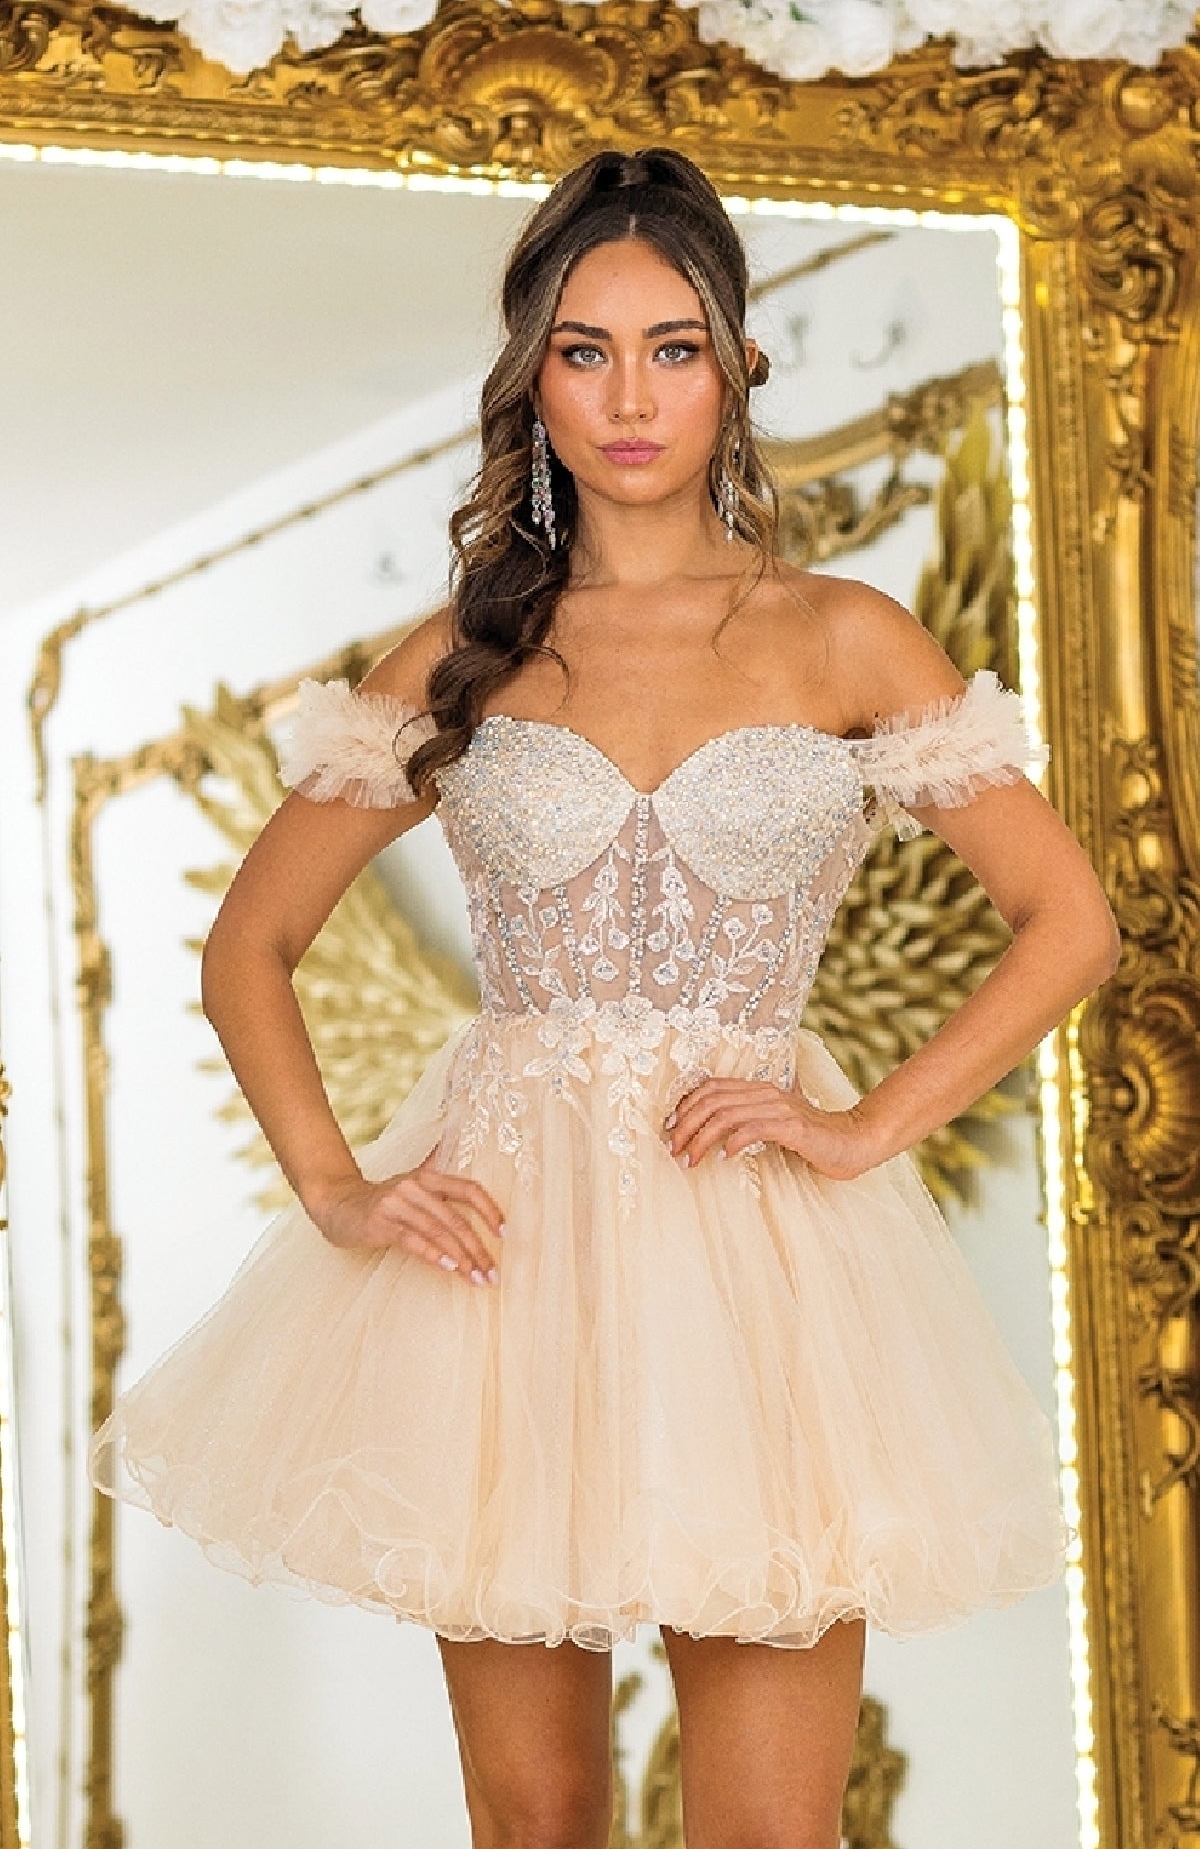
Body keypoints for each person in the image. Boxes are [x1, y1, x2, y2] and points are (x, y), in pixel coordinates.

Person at [91, 147, 1119, 1849]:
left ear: (739, 366)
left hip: (765, 1260)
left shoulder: (848, 637)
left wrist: (866, 1127)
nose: (630, 396)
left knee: (774, 1834)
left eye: (671, 346)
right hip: (502, 1262)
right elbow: (245, 948)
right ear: (532, 380)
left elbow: (1066, 918)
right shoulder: (464, 655)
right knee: (535, 1815)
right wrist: (338, 1189)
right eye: (584, 350)